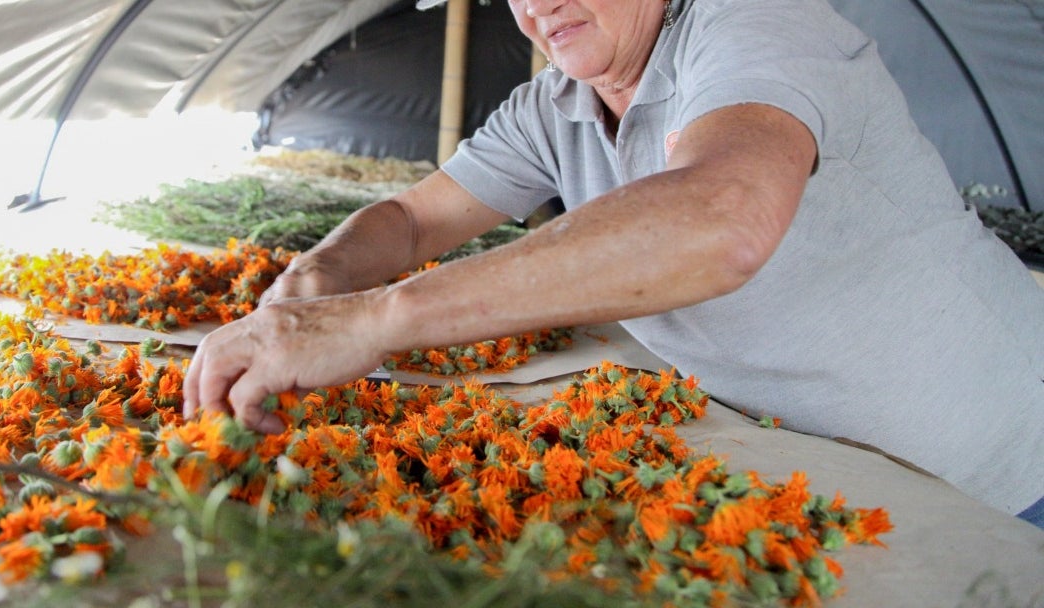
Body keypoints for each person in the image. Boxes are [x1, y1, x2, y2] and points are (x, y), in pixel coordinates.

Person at [183, 0, 1044, 527]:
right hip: (835, 477)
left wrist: (373, 322)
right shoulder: (554, 105)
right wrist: (318, 284)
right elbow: (408, 219)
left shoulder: (756, 25)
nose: (537, 7)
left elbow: (722, 216)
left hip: (1000, 467)